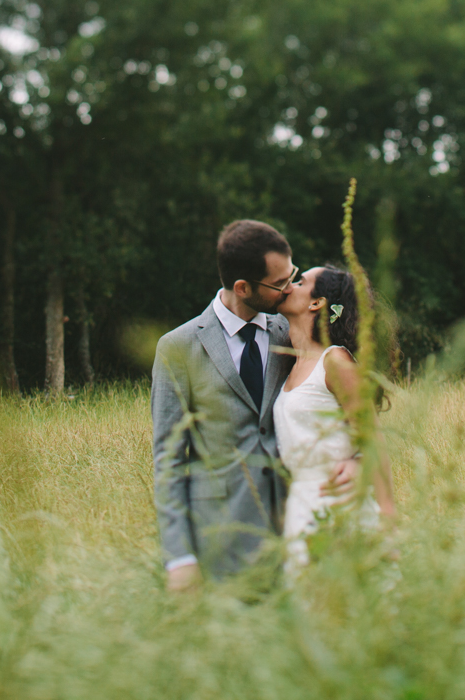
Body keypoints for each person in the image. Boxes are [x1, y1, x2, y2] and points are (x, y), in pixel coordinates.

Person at [152, 220, 361, 590]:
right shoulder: (178, 347)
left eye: (292, 275)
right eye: (280, 283)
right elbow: (168, 461)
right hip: (220, 536)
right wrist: (179, 556)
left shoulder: (292, 333)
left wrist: (357, 459)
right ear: (242, 287)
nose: (288, 289)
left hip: (299, 528)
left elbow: (342, 401)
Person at [273, 265, 397, 572]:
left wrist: (389, 518)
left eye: (300, 282)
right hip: (302, 507)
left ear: (316, 303)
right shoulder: (291, 363)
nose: (289, 285)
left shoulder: (335, 362)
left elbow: (372, 438)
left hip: (342, 505)